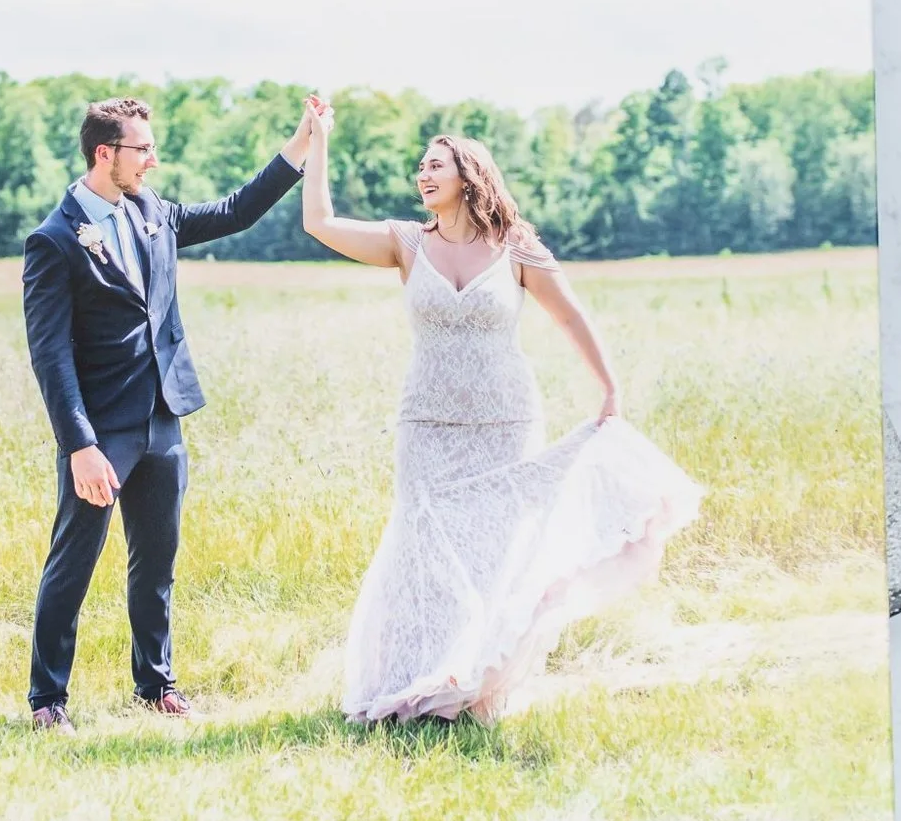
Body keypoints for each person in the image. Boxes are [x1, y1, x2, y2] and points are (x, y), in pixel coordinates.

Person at [299, 95, 705, 724]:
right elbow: (319, 222)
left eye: (436, 165)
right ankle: (411, 682)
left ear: (470, 176)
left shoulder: (516, 248)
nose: (423, 175)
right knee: (420, 549)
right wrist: (317, 140)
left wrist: (610, 389)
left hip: (506, 424)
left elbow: (570, 314)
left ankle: (470, 689)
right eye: (421, 166)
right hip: (427, 425)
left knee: (493, 555)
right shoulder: (404, 243)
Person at [19, 94, 320, 733]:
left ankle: (155, 685)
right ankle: (48, 701)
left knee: (156, 563)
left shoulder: (154, 212)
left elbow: (236, 211)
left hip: (164, 417)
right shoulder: (53, 241)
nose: (153, 160)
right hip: (102, 433)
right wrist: (80, 445)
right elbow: (50, 356)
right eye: (143, 149)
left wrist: (300, 144)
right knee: (73, 561)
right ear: (106, 154)